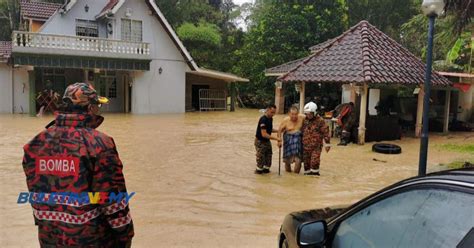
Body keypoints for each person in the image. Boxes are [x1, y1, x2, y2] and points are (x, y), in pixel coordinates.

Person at [22, 82, 134, 247]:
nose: (98, 110)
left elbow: (36, 196)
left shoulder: (35, 144)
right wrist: (126, 235)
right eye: (97, 105)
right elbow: (113, 201)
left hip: (50, 238)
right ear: (90, 108)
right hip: (92, 240)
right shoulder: (100, 144)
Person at [302, 102, 331, 176]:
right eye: (307, 114)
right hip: (305, 146)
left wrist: (327, 144)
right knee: (306, 166)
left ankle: (315, 177)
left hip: (316, 146)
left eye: (310, 114)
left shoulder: (320, 121)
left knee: (314, 163)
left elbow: (326, 132)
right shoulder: (305, 120)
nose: (308, 115)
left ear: (314, 112)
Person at [277, 106, 305, 173]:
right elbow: (279, 131)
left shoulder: (302, 117)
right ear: (289, 114)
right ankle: (288, 174)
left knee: (298, 161)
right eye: (292, 114)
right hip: (288, 141)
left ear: (298, 114)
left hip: (298, 142)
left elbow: (311, 117)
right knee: (287, 161)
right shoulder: (285, 120)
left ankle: (295, 176)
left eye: (296, 114)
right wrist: (279, 141)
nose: (294, 116)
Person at [254, 104, 280, 174]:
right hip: (260, 141)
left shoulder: (270, 119)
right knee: (260, 161)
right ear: (267, 110)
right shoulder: (263, 119)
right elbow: (264, 134)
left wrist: (279, 130)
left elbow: (269, 129)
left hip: (267, 141)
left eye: (274, 112)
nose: (273, 114)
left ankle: (266, 174)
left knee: (268, 159)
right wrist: (277, 138)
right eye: (272, 112)